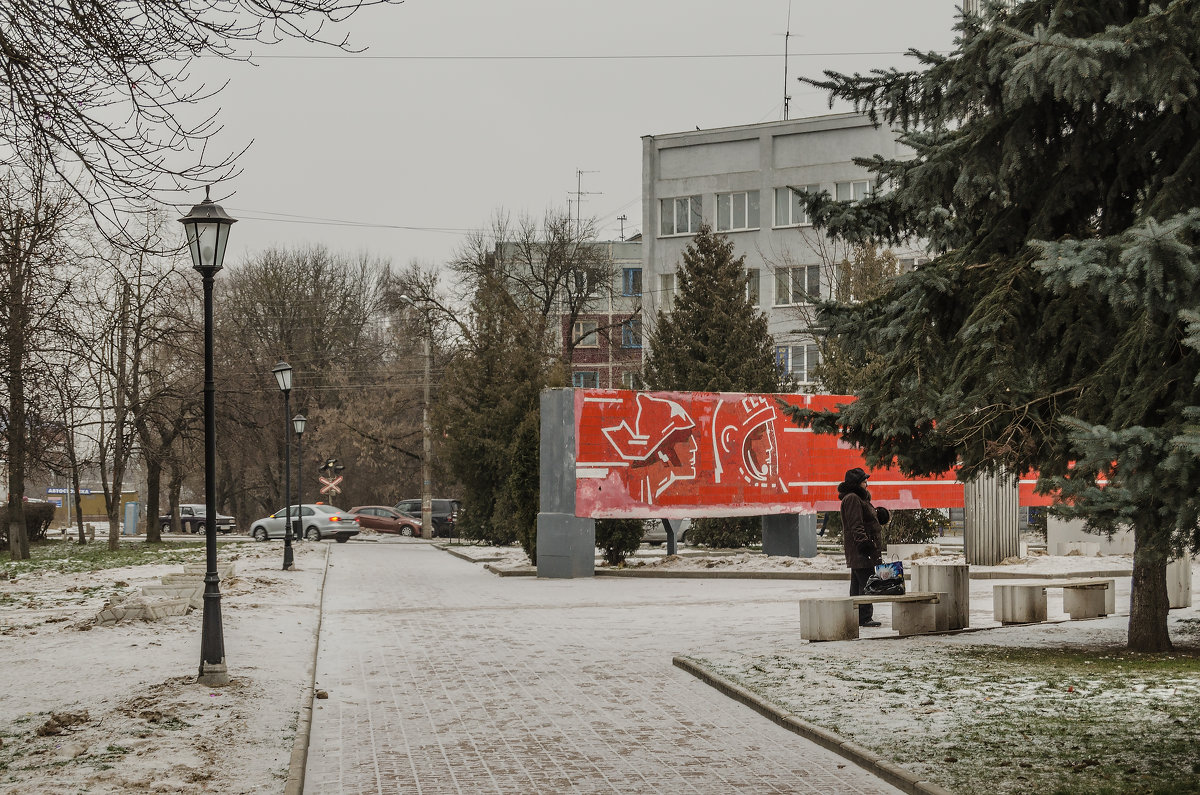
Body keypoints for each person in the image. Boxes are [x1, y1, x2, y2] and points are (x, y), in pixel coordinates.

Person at [839, 467, 885, 627]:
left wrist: (879, 515)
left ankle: (856, 615)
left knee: (858, 583)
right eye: (864, 481)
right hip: (860, 549)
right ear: (856, 484)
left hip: (860, 548)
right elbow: (855, 524)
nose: (867, 484)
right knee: (866, 582)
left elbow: (865, 519)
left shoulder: (859, 499)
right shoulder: (852, 499)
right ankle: (864, 617)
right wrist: (863, 544)